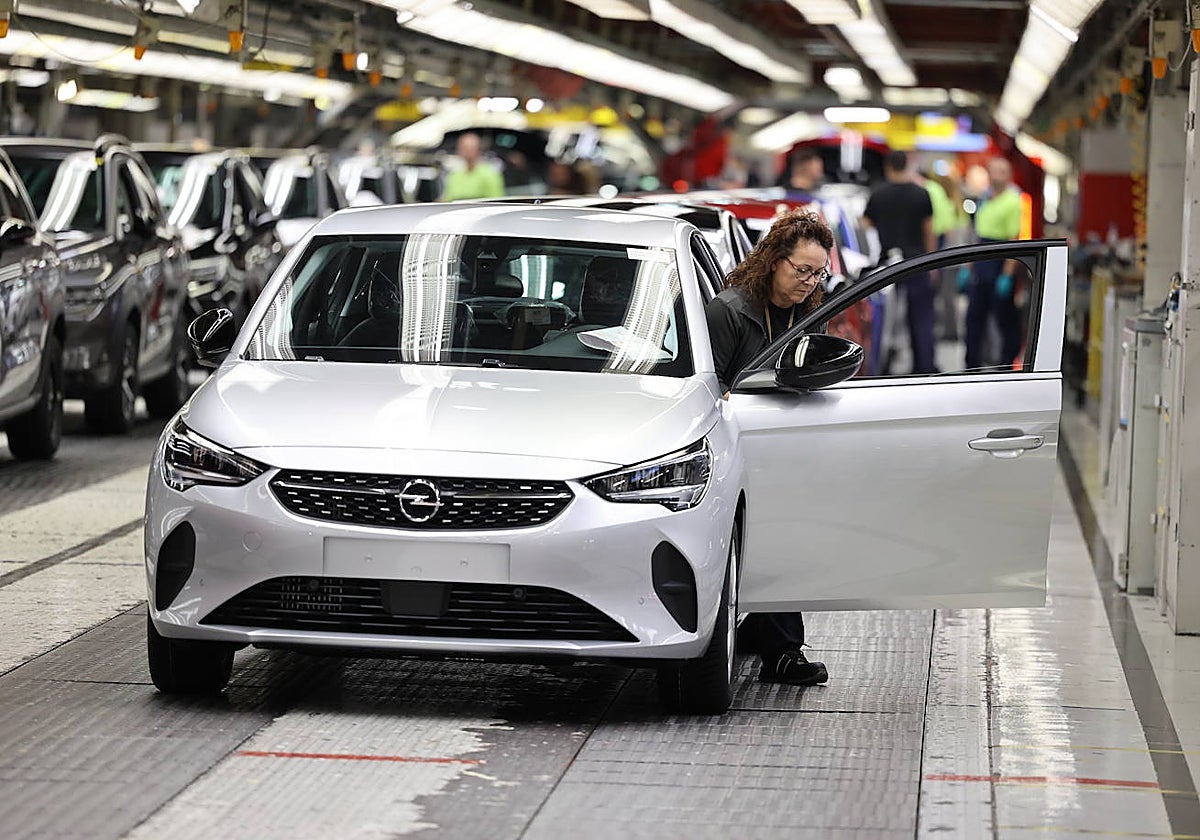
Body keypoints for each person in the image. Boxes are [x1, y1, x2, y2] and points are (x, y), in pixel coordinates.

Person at [705, 210, 833, 687]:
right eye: (802, 270)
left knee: (787, 537)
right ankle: (777, 647)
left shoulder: (811, 312)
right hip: (736, 442)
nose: (809, 281)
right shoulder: (731, 311)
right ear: (774, 261)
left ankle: (776, 641)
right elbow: (710, 386)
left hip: (786, 445)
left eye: (818, 272)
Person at [862, 150, 937, 374]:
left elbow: (865, 227)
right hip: (917, 263)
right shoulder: (921, 194)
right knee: (922, 318)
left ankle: (884, 368)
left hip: (886, 266)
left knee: (886, 320)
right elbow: (929, 231)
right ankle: (924, 367)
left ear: (888, 167)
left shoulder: (877, 195)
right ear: (907, 166)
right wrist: (932, 262)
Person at [965, 156, 1024, 370]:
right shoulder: (984, 198)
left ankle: (1006, 363)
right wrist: (968, 266)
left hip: (1000, 259)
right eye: (992, 170)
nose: (995, 175)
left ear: (1008, 175)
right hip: (981, 259)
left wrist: (1007, 275)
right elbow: (976, 235)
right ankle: (972, 363)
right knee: (974, 316)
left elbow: (1013, 239)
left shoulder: (1013, 200)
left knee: (1004, 317)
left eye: (1001, 171)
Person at [440, 132, 505, 201]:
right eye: (464, 148)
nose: (467, 152)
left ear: (479, 150)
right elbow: (447, 199)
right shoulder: (454, 176)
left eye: (471, 148)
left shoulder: (491, 174)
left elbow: (497, 200)